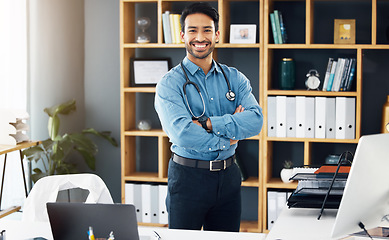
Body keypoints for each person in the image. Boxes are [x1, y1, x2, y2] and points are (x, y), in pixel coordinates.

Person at [154, 2, 263, 232]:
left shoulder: (235, 78)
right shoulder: (170, 84)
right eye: (192, 30)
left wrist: (209, 123)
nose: (199, 37)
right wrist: (229, 137)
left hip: (229, 178)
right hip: (187, 179)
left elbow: (255, 121)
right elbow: (182, 134)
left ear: (217, 35)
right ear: (183, 35)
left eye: (207, 30)